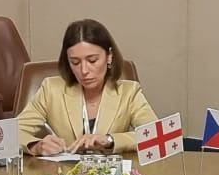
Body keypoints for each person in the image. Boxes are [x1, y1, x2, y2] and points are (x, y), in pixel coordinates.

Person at [18, 19, 157, 157]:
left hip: (111, 171)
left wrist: (110, 140)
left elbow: (155, 134)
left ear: (109, 56)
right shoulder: (51, 89)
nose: (84, 70)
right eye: (75, 62)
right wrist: (35, 146)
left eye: (92, 60)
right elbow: (12, 134)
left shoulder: (129, 92)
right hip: (64, 171)